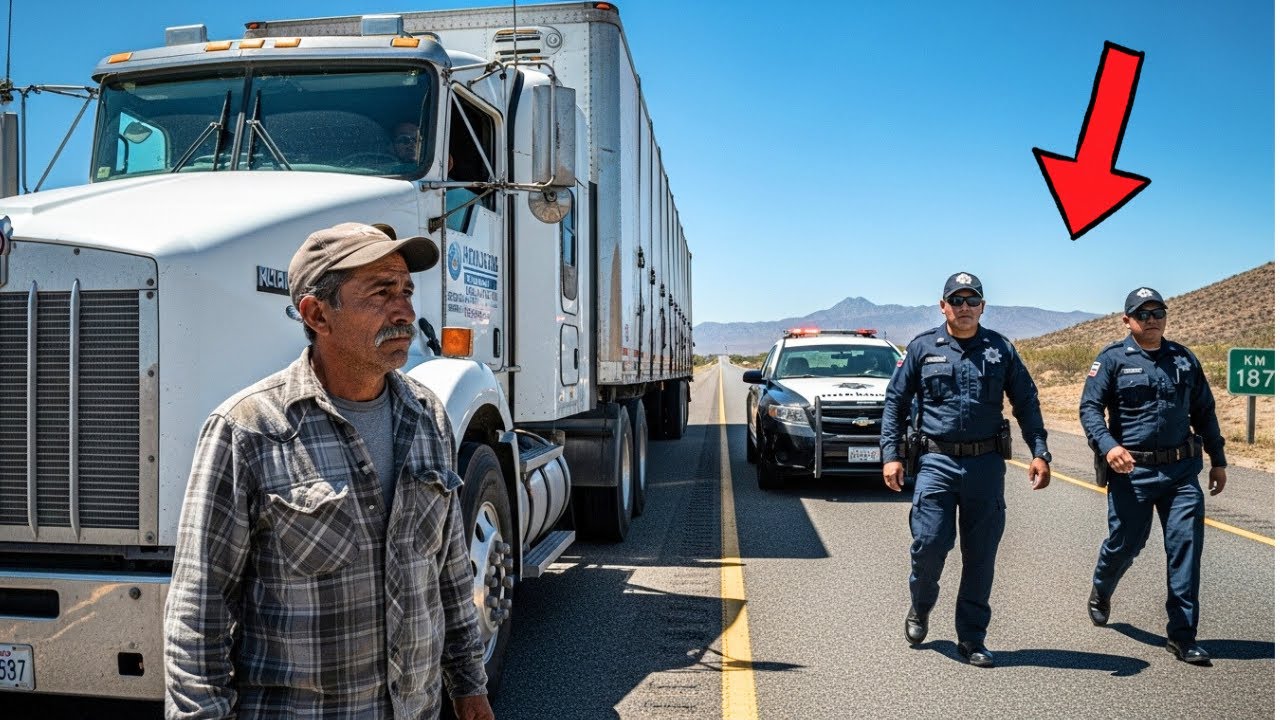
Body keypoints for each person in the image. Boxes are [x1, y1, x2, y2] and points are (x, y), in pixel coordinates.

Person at [164, 222, 494, 719]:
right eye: (381, 293)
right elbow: (198, 617)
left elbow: (448, 573)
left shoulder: (427, 417)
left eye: (406, 290)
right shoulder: (247, 431)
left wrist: (470, 688)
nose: (404, 310)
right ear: (317, 314)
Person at [880, 271, 1051, 667]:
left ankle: (972, 639)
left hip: (986, 466)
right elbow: (895, 403)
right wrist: (891, 454)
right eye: (956, 301)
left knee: (981, 557)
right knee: (930, 545)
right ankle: (920, 606)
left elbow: (1026, 401)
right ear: (943, 307)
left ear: (983, 306)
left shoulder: (1001, 349)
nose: (964, 308)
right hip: (936, 461)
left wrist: (1039, 452)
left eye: (972, 300)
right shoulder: (923, 348)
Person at [1079, 287, 1227, 666]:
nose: (1151, 319)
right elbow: (1090, 409)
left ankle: (1182, 636)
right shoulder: (1112, 359)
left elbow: (1205, 410)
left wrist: (1218, 458)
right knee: (1126, 543)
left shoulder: (1183, 359)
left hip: (1180, 473)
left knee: (1185, 551)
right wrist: (1109, 446)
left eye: (1157, 312)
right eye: (1142, 314)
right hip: (1132, 473)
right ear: (1127, 320)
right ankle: (1103, 585)